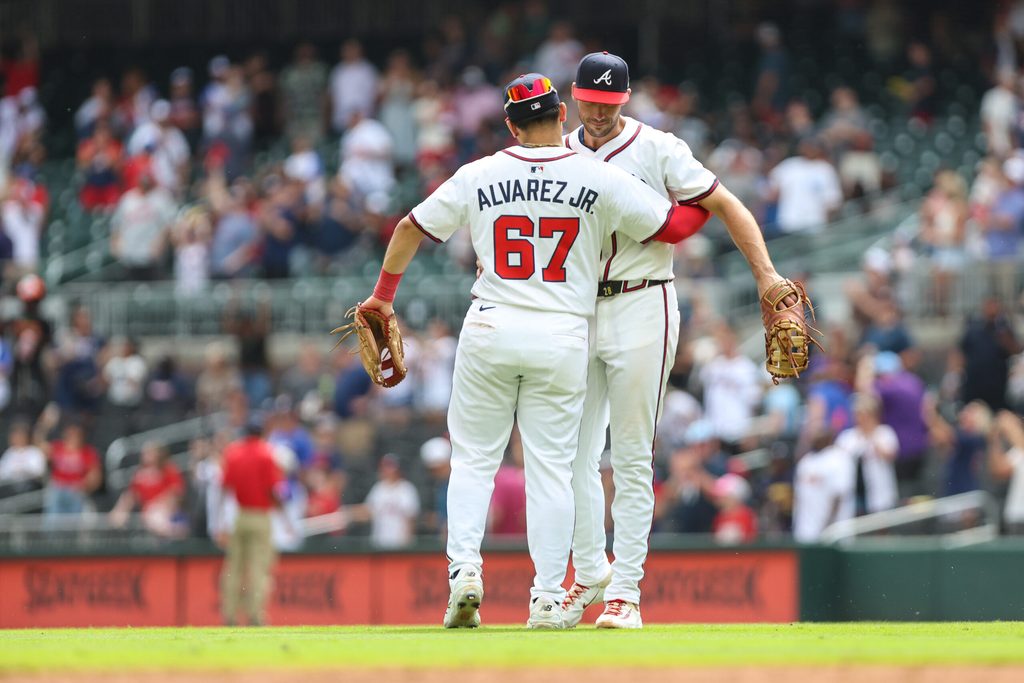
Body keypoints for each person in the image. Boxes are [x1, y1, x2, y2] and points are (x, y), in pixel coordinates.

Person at [353, 72, 710, 629]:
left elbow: (408, 227)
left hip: (491, 324)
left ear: (509, 124)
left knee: (473, 460)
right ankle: (546, 596)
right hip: (563, 333)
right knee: (552, 470)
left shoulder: (479, 174)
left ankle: (465, 571)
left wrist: (382, 297)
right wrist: (705, 205)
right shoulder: (594, 175)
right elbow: (672, 227)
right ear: (562, 116)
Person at [561, 51, 796, 630]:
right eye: (590, 101)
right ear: (573, 96)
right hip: (576, 307)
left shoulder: (657, 147)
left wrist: (765, 275)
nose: (598, 113)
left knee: (634, 455)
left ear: (627, 99)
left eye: (610, 103)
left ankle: (628, 594)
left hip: (644, 299)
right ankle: (591, 573)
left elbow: (725, 203)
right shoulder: (556, 151)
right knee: (572, 455)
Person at [215, 416, 286, 626]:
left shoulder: (233, 453)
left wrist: (220, 522)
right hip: (260, 516)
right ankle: (255, 616)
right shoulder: (267, 454)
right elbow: (272, 490)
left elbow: (224, 489)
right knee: (259, 569)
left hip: (240, 515)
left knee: (233, 567)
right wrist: (285, 516)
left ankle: (229, 615)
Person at [835, 393, 899, 516]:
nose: (860, 419)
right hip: (854, 492)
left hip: (878, 492)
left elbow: (890, 454)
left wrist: (871, 435)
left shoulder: (884, 433)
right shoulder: (847, 437)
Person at [793, 430, 855, 543]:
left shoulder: (839, 458)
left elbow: (839, 496)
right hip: (805, 531)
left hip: (833, 533)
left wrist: (828, 527)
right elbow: (798, 496)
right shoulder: (806, 461)